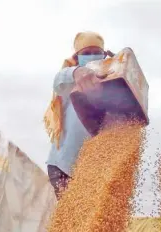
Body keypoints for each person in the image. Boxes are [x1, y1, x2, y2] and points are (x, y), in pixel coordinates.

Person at [43, 31, 110, 199]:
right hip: (63, 166)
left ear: (104, 55)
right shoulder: (70, 78)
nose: (92, 56)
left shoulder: (110, 80)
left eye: (96, 52)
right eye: (86, 53)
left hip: (92, 170)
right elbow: (58, 80)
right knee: (70, 217)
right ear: (77, 57)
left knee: (92, 218)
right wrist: (77, 72)